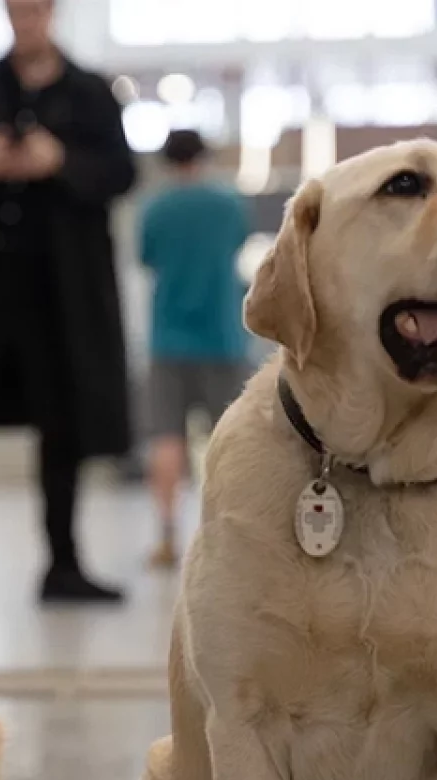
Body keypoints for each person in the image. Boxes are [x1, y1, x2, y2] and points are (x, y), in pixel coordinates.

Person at [0, 0, 136, 604]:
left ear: (52, 12)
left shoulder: (91, 93)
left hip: (59, 290)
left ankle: (63, 564)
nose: (28, 19)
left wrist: (59, 161)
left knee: (61, 417)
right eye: (18, 9)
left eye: (36, 9)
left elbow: (121, 173)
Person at [139, 130, 252, 568]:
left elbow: (146, 258)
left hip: (168, 337)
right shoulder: (227, 205)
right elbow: (238, 246)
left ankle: (167, 534)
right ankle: (231, 533)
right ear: (203, 156)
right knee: (230, 440)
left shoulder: (157, 208)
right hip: (223, 336)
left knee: (166, 437)